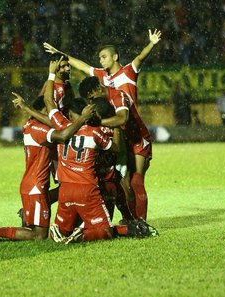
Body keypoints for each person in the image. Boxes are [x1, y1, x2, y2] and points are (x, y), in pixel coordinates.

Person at [0, 94, 95, 243]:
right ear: (38, 112)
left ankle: (28, 214)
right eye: (47, 111)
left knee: (65, 189)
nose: (51, 115)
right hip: (36, 187)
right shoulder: (39, 129)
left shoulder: (31, 126)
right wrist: (82, 119)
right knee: (39, 235)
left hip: (33, 185)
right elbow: (63, 135)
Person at [47, 98, 154, 244]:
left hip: (65, 189)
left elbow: (49, 103)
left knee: (64, 228)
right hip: (88, 188)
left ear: (71, 115)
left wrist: (28, 107)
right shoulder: (94, 132)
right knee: (105, 230)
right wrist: (116, 125)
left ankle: (59, 230)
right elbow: (116, 147)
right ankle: (85, 234)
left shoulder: (62, 126)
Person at [78, 76, 153, 222]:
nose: (92, 102)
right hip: (123, 143)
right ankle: (130, 219)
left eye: (92, 97)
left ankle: (141, 221)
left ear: (98, 89)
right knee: (122, 183)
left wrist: (95, 124)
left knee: (136, 181)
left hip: (138, 140)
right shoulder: (103, 101)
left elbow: (122, 119)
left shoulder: (118, 96)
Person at [43, 28, 162, 105]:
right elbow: (82, 67)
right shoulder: (102, 74)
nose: (101, 61)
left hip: (131, 122)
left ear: (115, 57)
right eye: (99, 58)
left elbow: (140, 57)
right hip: (114, 125)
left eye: (104, 57)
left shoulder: (128, 71)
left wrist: (151, 43)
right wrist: (60, 54)